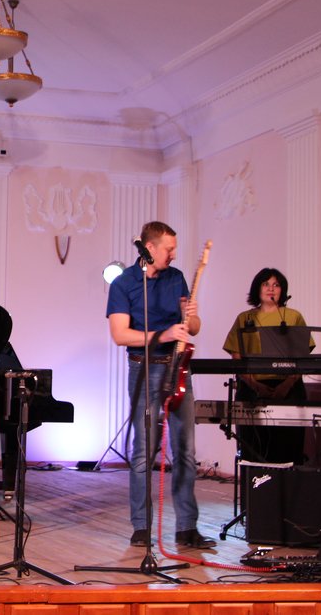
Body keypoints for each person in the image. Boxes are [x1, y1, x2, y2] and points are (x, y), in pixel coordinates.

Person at [105, 221, 216, 549]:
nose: (173, 254)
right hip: (143, 369)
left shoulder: (176, 277)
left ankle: (187, 527)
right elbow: (120, 335)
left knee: (185, 451)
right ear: (149, 248)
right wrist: (162, 335)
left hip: (178, 368)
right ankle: (141, 526)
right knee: (144, 451)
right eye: (169, 248)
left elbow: (193, 327)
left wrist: (190, 316)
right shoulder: (124, 283)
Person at [222, 268, 311, 464]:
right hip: (251, 388)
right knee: (253, 447)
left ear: (282, 290)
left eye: (276, 285)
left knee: (288, 448)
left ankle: (288, 482)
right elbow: (236, 356)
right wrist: (256, 385)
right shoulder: (245, 318)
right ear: (257, 288)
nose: (271, 289)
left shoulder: (293, 316)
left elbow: (303, 357)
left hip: (289, 389)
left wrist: (286, 385)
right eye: (266, 284)